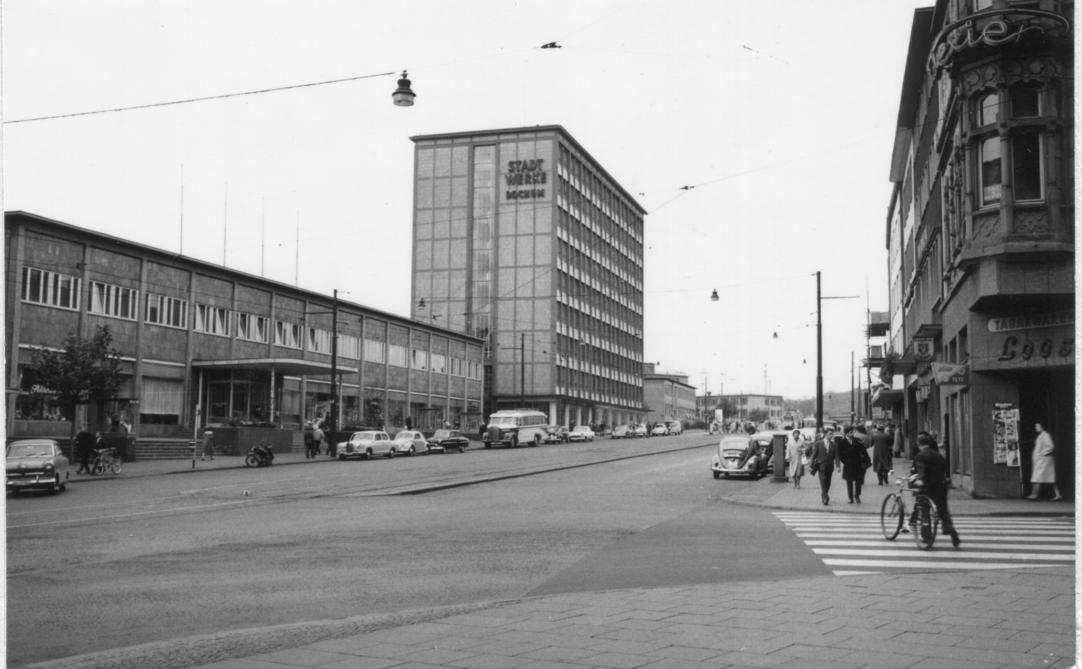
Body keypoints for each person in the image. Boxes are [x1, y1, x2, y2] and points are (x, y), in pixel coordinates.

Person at [909, 433, 961, 547]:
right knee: (943, 511)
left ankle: (927, 537)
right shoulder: (938, 455)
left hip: (927, 487)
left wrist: (920, 480)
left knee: (924, 510)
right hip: (941, 486)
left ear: (919, 444)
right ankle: (951, 530)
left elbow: (922, 469)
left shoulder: (920, 455)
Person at [1027, 423, 1064, 501]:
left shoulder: (1045, 435)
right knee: (1049, 477)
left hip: (1044, 460)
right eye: (1036, 426)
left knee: (1037, 476)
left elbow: (1050, 446)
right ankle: (1058, 494)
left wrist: (1042, 454)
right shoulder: (1041, 436)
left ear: (1042, 427)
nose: (1036, 427)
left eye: (1037, 426)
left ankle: (1035, 494)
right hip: (1043, 460)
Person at [837, 425, 871, 503]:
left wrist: (867, 460)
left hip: (857, 464)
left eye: (853, 432)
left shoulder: (857, 441)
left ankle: (857, 496)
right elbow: (840, 455)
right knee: (849, 482)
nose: (853, 433)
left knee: (858, 481)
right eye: (851, 432)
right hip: (848, 465)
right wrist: (845, 461)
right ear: (846, 433)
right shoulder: (842, 443)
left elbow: (863, 451)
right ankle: (850, 498)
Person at [809, 428, 839, 505]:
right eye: (830, 434)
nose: (832, 435)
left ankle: (824, 494)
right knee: (823, 481)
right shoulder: (818, 443)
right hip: (821, 466)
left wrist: (838, 466)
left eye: (832, 434)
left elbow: (837, 457)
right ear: (826, 434)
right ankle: (825, 497)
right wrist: (811, 465)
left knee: (828, 482)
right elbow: (814, 455)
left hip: (830, 466)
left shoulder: (834, 445)